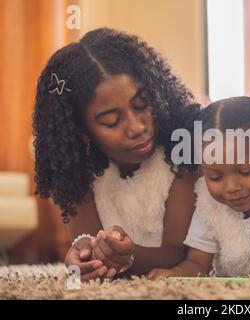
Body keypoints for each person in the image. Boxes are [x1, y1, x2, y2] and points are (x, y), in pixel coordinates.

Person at [33, 28, 198, 281]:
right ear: (81, 130)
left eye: (142, 105)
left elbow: (177, 253)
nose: (137, 127)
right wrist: (82, 256)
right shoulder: (74, 170)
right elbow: (84, 243)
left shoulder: (182, 153)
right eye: (111, 121)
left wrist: (123, 256)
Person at [148, 92, 250, 279]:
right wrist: (174, 275)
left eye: (245, 171)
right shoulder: (207, 201)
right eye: (215, 177)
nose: (231, 187)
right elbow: (197, 263)